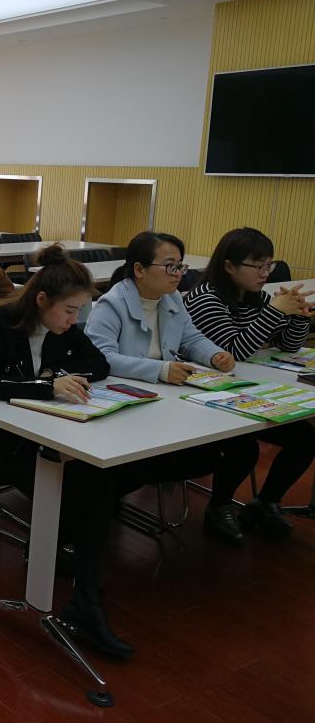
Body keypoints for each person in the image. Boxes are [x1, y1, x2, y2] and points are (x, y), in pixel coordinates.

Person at [0, 245, 140, 658]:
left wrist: (58, 375)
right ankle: (78, 586)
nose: (73, 320)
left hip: (51, 434)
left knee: (103, 478)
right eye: (69, 311)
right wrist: (46, 386)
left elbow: (99, 364)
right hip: (3, 441)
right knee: (89, 489)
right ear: (42, 300)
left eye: (79, 312)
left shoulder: (64, 329)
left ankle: (80, 588)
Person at [85, 231, 257, 547]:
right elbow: (101, 358)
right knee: (140, 463)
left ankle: (220, 506)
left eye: (180, 266)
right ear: (139, 269)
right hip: (130, 401)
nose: (178, 274)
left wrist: (214, 355)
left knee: (244, 446)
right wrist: (161, 370)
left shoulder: (172, 298)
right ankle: (100, 506)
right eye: (170, 266)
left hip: (170, 395)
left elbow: (191, 339)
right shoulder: (112, 304)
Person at [184, 227, 315, 537]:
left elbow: (288, 346)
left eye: (269, 265)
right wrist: (273, 312)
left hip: (246, 388)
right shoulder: (205, 299)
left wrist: (299, 315)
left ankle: (265, 502)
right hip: (204, 397)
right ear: (229, 266)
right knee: (244, 448)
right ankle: (218, 507)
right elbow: (233, 351)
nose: (265, 274)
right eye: (257, 266)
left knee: (307, 438)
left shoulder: (257, 297)